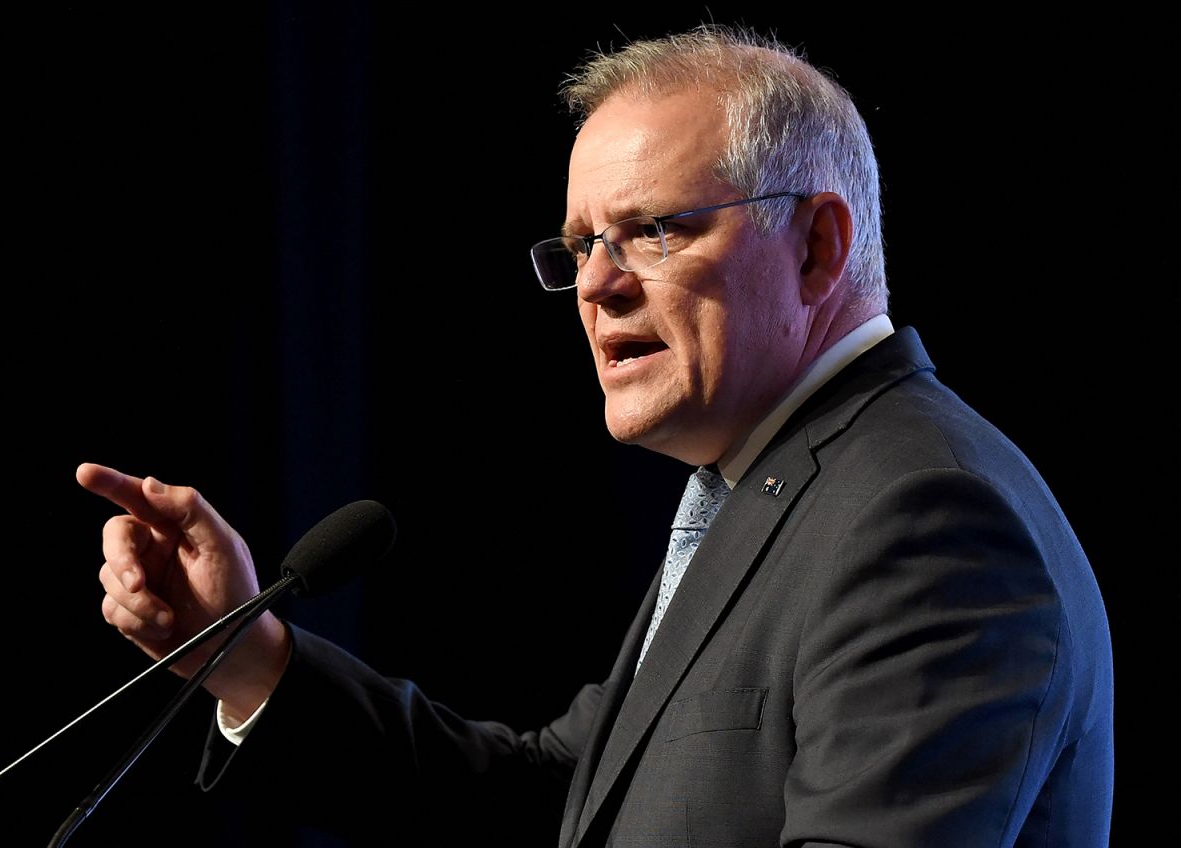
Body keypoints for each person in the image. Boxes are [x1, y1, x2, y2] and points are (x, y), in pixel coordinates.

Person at [79, 26, 1114, 847]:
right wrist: (246, 656)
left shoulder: (920, 516)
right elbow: (564, 801)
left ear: (816, 246)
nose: (595, 285)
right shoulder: (769, 489)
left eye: (653, 230)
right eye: (579, 244)